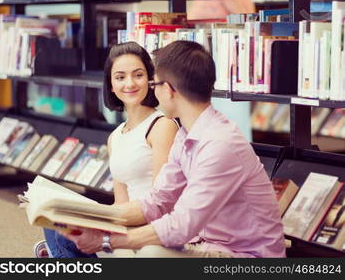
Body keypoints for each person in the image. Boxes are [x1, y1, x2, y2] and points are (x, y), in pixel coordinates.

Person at [60, 40, 286, 258]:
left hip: (246, 257)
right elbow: (156, 201)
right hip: (205, 246)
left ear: (167, 89)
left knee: (152, 255)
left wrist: (108, 241)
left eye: (153, 83)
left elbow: (181, 225)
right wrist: (90, 219)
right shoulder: (186, 135)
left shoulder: (220, 144)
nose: (152, 92)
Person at [37, 42, 179, 258]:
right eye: (120, 77)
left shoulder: (162, 125)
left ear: (150, 79)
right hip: (125, 221)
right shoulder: (115, 137)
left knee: (61, 242)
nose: (129, 83)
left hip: (148, 227)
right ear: (111, 85)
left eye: (138, 75)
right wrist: (88, 218)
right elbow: (120, 201)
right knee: (56, 225)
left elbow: (162, 203)